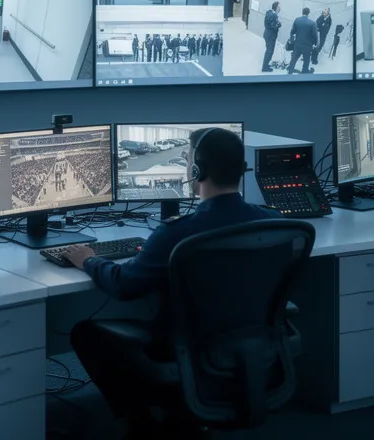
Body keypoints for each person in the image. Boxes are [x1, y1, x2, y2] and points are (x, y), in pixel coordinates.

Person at [62, 128, 278, 435]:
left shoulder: (176, 232)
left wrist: (88, 259)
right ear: (241, 169)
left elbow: (124, 285)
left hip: (187, 347)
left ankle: (142, 424)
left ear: (195, 170)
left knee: (85, 332)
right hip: (249, 343)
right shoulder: (271, 221)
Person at [287, 7, 319, 74]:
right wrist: (314, 44)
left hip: (297, 44)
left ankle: (290, 70)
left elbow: (292, 32)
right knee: (306, 60)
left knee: (294, 59)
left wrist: (292, 41)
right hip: (307, 46)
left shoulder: (297, 20)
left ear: (302, 12)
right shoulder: (312, 23)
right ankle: (305, 71)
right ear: (308, 13)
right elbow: (315, 36)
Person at [261, 1, 281, 72]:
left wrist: (277, 23)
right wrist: (279, 25)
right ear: (276, 7)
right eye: (279, 7)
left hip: (266, 34)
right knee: (269, 51)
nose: (280, 8)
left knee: (268, 50)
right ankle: (265, 67)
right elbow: (274, 26)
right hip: (271, 36)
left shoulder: (269, 12)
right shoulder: (274, 15)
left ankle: (266, 64)